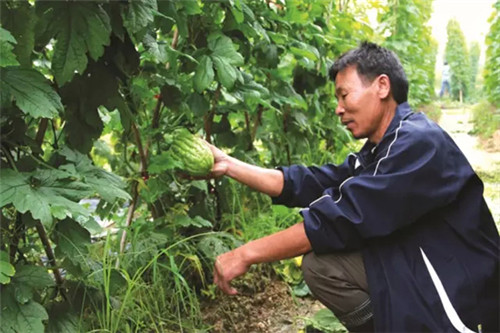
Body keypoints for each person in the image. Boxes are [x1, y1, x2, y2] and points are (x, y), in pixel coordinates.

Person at [207, 42, 499, 332]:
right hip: (418, 262)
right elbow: (312, 182)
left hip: (463, 294)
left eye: (344, 95)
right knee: (322, 265)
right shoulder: (382, 148)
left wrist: (244, 254)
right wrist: (229, 165)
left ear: (382, 86)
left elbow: (339, 219)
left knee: (322, 264)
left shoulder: (418, 142)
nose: (338, 109)